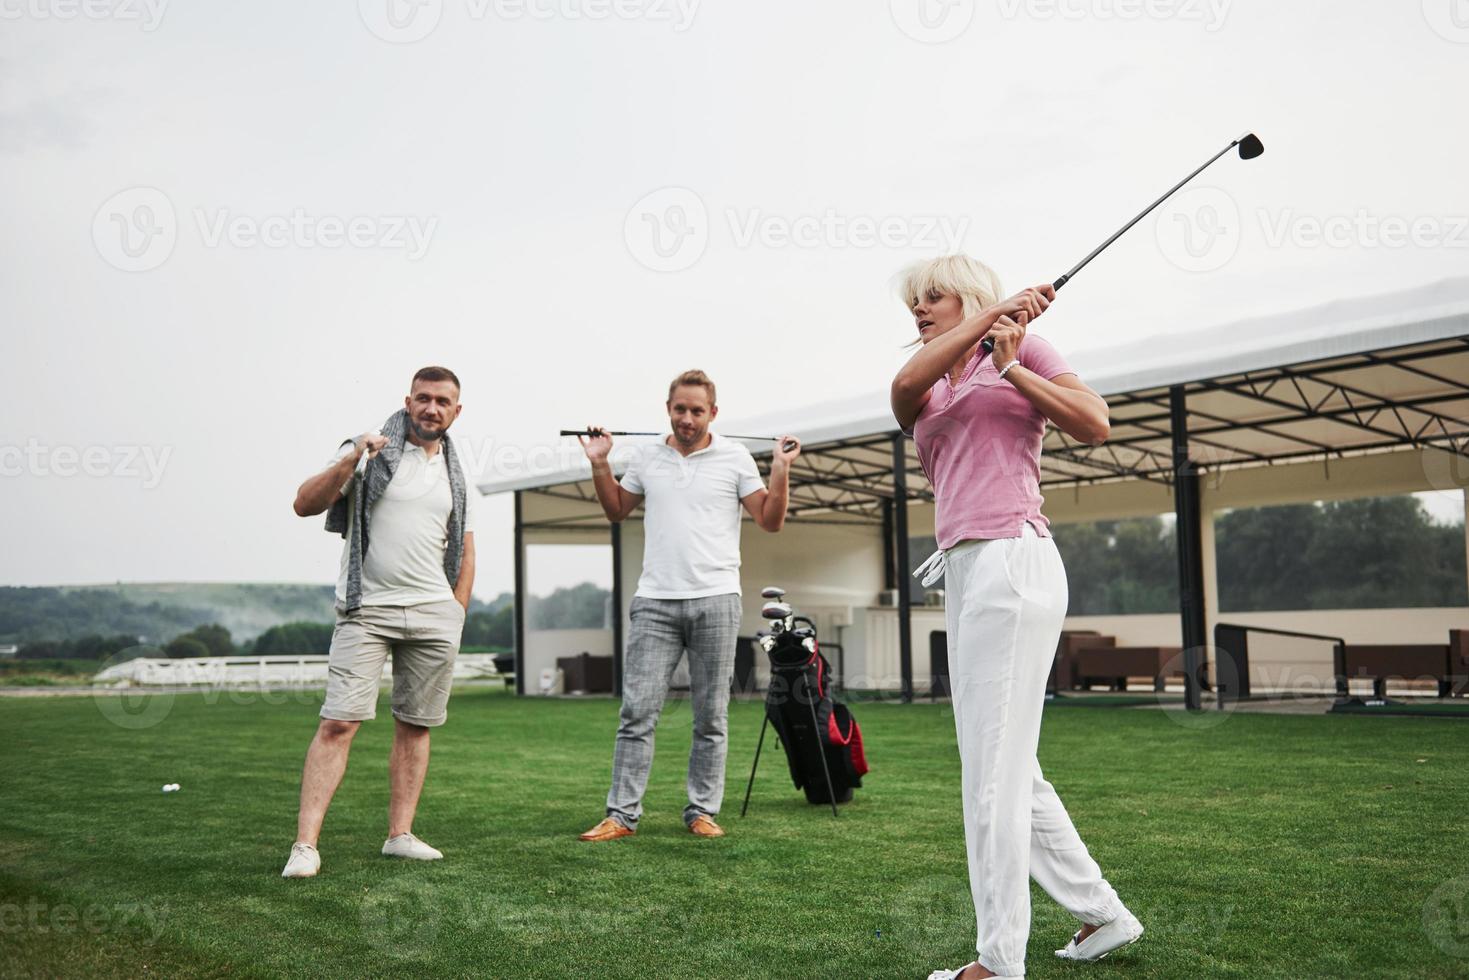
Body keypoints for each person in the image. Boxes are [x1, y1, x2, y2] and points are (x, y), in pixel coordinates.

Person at [889, 256, 1142, 978]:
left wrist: (1011, 367)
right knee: (1005, 767)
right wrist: (990, 320)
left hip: (1013, 561)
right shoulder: (930, 379)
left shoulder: (1024, 349)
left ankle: (997, 962)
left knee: (990, 778)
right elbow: (902, 388)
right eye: (914, 301)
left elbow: (1094, 422)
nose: (919, 309)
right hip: (964, 571)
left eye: (931, 297)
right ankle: (1102, 913)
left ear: (965, 295)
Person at [576, 369, 800, 841]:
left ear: (712, 413)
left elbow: (771, 521)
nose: (688, 418)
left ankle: (701, 810)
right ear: (669, 409)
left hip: (717, 600)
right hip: (655, 601)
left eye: (697, 410)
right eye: (680, 409)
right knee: (637, 712)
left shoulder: (736, 457)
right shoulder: (646, 456)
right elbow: (617, 509)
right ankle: (621, 815)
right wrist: (600, 462)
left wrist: (781, 468)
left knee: (711, 716)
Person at [280, 366, 478, 878]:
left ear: (457, 411)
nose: (432, 408)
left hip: (435, 614)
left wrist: (457, 610)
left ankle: (400, 835)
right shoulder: (368, 449)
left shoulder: (458, 469)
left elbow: (465, 542)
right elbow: (305, 503)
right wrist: (352, 459)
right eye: (424, 398)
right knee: (339, 722)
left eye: (443, 401)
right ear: (408, 401)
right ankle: (305, 846)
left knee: (415, 725)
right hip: (367, 608)